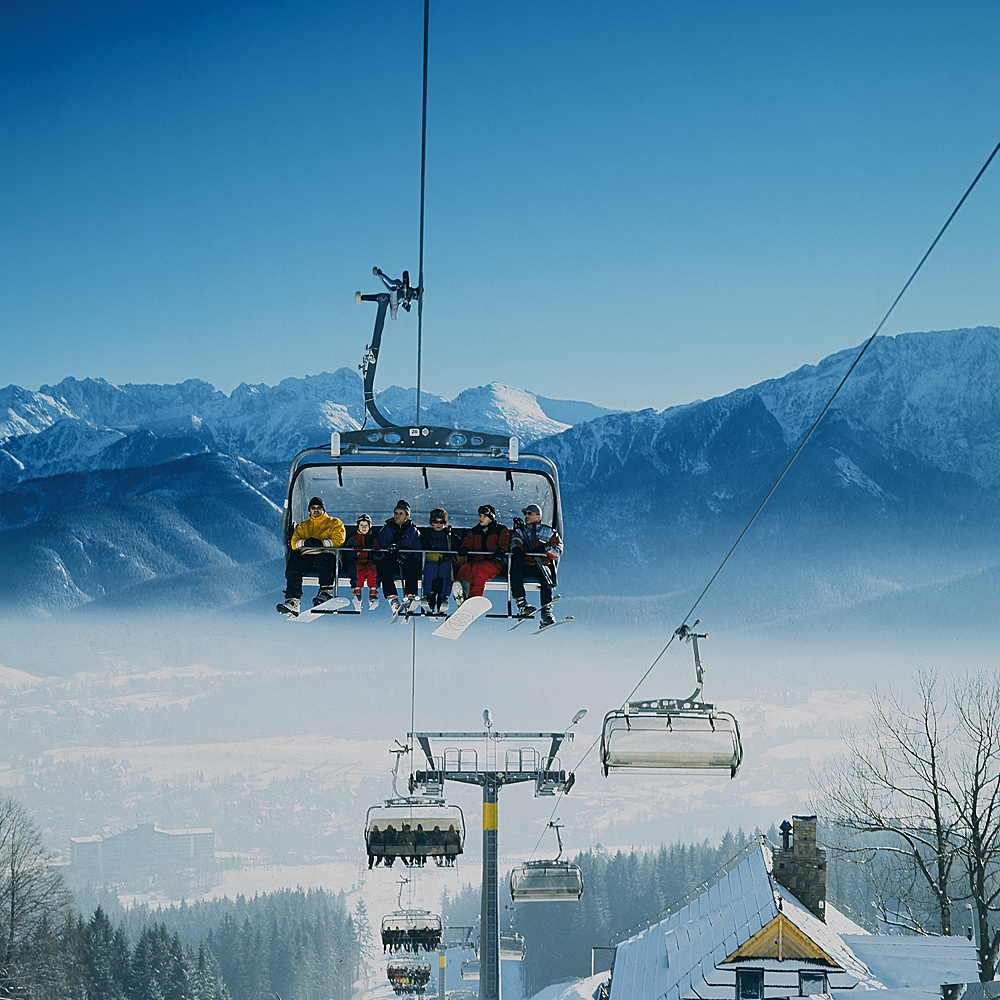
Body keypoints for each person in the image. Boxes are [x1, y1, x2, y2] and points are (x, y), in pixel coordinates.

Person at [277, 496, 346, 615]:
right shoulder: (304, 526)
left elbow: (339, 540)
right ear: (309, 510)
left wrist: (322, 543)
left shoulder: (334, 523)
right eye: (313, 508)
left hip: (328, 554)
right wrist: (305, 543)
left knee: (323, 560)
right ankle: (293, 601)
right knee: (294, 566)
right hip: (308, 556)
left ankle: (326, 592)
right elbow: (294, 543)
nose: (316, 510)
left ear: (323, 509)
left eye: (319, 508)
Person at [510, 503, 562, 627]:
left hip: (540, 564)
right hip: (526, 563)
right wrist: (517, 550)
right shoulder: (520, 531)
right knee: (515, 572)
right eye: (525, 514)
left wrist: (544, 549)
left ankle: (546, 611)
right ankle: (522, 604)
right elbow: (514, 540)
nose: (526, 516)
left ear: (538, 516)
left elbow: (558, 549)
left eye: (529, 513)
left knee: (546, 579)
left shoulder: (548, 532)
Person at [452, 504, 510, 605]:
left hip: (495, 563)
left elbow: (504, 541)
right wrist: (464, 547)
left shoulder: (500, 530)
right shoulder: (476, 531)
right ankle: (460, 595)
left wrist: (501, 550)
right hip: (477, 561)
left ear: (491, 517)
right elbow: (468, 541)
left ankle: (474, 598)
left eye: (484, 516)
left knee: (479, 570)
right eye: (480, 516)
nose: (481, 518)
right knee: (465, 567)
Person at [378, 500, 421, 615]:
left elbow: (418, 550)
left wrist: (408, 555)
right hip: (392, 559)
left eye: (400, 513)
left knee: (412, 566)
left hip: (406, 561)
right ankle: (392, 599)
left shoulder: (413, 531)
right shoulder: (387, 528)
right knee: (384, 566)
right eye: (396, 513)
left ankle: (410, 596)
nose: (397, 516)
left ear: (407, 516)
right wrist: (389, 548)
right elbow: (380, 541)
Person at [418, 507, 461, 614]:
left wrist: (454, 558)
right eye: (435, 522)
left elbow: (459, 555)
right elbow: (424, 553)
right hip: (432, 563)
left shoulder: (451, 538)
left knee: (446, 567)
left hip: (445, 565)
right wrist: (441, 557)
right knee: (431, 566)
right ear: (431, 522)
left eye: (441, 522)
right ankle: (429, 596)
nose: (438, 524)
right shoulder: (426, 536)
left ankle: (443, 597)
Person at [344, 513, 381, 609]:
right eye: (361, 525)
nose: (364, 528)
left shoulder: (373, 540)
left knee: (373, 571)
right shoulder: (353, 540)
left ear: (369, 527)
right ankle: (357, 594)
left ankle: (373, 594)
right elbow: (346, 555)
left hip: (370, 562)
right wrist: (355, 552)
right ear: (358, 527)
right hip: (357, 562)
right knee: (357, 571)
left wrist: (377, 553)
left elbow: (380, 555)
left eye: (366, 525)